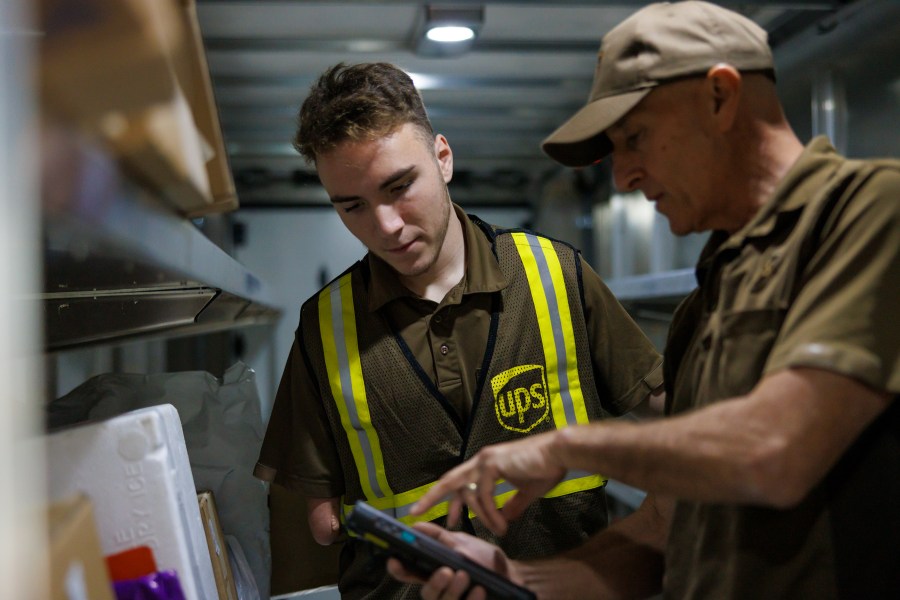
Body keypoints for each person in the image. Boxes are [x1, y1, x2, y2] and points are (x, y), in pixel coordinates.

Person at [389, 1, 900, 598]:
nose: (623, 176)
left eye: (635, 138)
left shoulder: (871, 211)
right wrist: (518, 579)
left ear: (720, 96)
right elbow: (667, 521)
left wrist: (565, 445)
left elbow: (776, 450)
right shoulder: (711, 298)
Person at [252, 61, 665, 598]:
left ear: (443, 158)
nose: (386, 226)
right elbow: (322, 523)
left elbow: (673, 414)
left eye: (400, 186)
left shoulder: (555, 275)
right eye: (352, 206)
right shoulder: (324, 325)